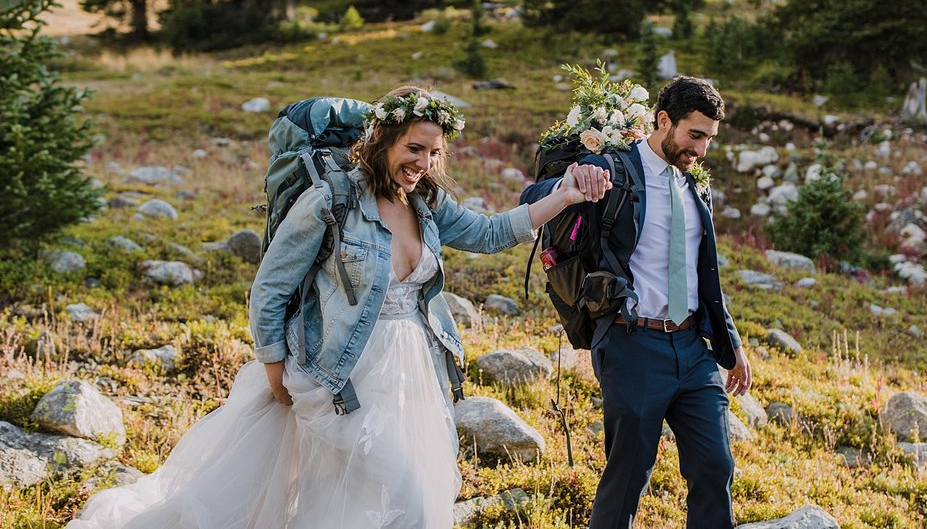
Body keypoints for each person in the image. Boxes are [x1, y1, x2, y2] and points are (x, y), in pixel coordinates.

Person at [68, 85, 611, 529]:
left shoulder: (426, 203)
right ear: (382, 141)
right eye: (412, 148)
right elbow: (271, 287)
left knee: (352, 501)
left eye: (432, 152)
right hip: (338, 372)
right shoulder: (331, 200)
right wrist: (275, 368)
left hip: (411, 372)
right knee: (411, 502)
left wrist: (564, 196)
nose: (422, 162)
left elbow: (492, 233)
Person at [521, 76, 752, 529]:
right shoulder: (614, 170)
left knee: (715, 467)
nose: (701, 150)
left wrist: (733, 344)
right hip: (632, 344)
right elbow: (531, 198)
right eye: (695, 135)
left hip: (693, 349)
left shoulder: (695, 187)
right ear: (663, 120)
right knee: (628, 475)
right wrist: (571, 181)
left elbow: (704, 275)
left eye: (710, 139)